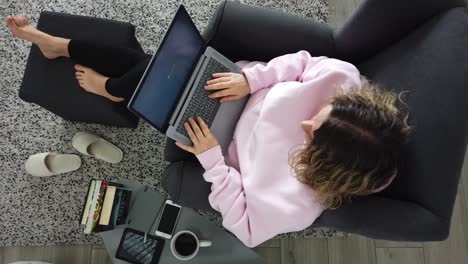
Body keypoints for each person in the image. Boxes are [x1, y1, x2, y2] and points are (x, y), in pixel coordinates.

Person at [7, 15, 411, 247]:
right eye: (322, 112)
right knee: (156, 68)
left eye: (311, 136)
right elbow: (303, 63)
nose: (305, 120)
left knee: (149, 74)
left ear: (322, 163)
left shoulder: (297, 205)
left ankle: (72, 57)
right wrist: (251, 82)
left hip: (215, 137)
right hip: (237, 85)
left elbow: (246, 228)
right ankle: (79, 62)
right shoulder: (344, 83)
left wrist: (211, 160)